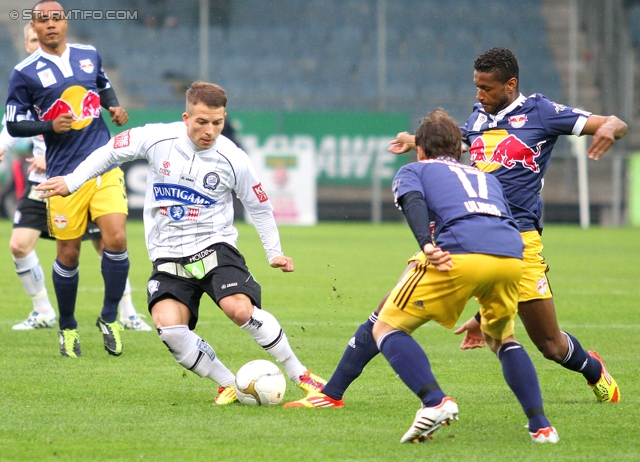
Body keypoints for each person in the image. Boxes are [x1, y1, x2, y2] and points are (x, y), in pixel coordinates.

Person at [285, 46, 625, 410]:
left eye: (487, 88)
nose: (479, 95)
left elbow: (615, 123)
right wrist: (416, 141)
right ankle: (332, 393)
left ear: (511, 85)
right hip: (462, 232)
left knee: (550, 344)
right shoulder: (479, 115)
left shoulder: (541, 112)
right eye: (476, 87)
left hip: (519, 242)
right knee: (388, 311)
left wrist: (607, 129)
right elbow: (455, 144)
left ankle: (593, 369)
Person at [36, 81, 326, 404]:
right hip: (168, 256)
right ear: (186, 117)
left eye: (217, 123)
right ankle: (231, 383)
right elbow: (110, 151)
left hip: (214, 247)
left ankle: (299, 373)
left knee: (239, 309)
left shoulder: (234, 158)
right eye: (201, 122)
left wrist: (275, 253)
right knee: (169, 327)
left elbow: (259, 206)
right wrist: (73, 181)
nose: (210, 131)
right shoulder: (156, 138)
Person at [313, 108, 559, 443]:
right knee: (503, 340)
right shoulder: (486, 177)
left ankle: (435, 401)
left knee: (386, 326)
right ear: (460, 150)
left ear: (420, 149)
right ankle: (541, 427)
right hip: (512, 256)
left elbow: (413, 201)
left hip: (456, 252)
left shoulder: (415, 170)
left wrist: (427, 246)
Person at [1, 24, 151, 332]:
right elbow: (11, 127)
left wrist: (112, 105)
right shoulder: (26, 77)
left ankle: (126, 312)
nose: (37, 40)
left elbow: (100, 89)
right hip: (44, 178)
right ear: (30, 44)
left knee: (107, 243)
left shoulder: (81, 64)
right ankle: (44, 312)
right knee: (21, 245)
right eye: (31, 37)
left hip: (85, 172)